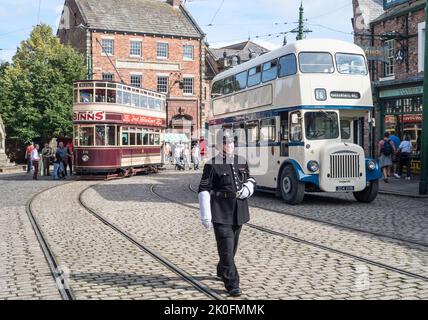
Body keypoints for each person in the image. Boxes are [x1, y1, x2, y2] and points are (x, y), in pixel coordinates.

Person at [198, 129, 256, 297]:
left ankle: (222, 267)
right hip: (220, 210)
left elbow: (250, 179)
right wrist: (205, 214)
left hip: (239, 210)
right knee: (226, 246)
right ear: (218, 145)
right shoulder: (212, 164)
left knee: (231, 248)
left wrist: (248, 188)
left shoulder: (242, 161)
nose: (228, 145)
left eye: (231, 142)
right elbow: (203, 188)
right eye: (225, 142)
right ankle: (232, 283)